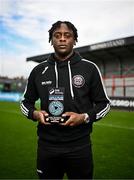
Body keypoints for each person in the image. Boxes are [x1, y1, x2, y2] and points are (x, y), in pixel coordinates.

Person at [20, 20, 110, 179]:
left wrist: (84, 117)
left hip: (79, 146)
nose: (62, 39)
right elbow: (25, 103)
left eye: (67, 35)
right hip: (47, 146)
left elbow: (104, 105)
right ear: (51, 40)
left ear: (74, 40)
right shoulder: (38, 70)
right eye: (57, 35)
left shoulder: (89, 68)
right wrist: (35, 114)